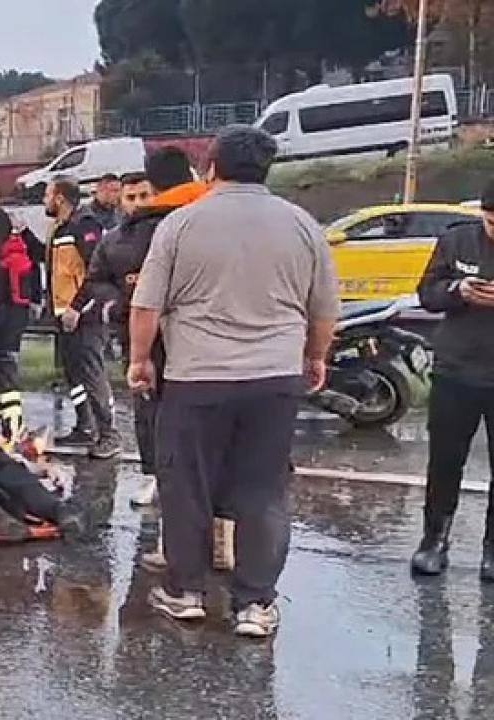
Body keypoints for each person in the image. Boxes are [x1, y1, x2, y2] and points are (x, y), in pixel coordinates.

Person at [128, 126, 339, 637]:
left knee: (186, 486)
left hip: (197, 378)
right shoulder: (302, 225)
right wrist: (314, 357)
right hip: (274, 379)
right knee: (264, 489)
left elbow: (146, 304)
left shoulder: (181, 224)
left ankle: (187, 592)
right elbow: (324, 309)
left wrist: (140, 360)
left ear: (211, 167)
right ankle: (255, 604)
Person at [84, 152, 205, 506]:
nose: (138, 202)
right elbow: (97, 280)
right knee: (148, 409)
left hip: (187, 334)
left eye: (143, 195)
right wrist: (116, 305)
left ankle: (192, 477)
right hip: (138, 336)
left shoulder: (183, 228)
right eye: (131, 197)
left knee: (190, 407)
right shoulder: (113, 240)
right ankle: (155, 475)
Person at [410, 180, 494, 579]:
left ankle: (492, 551)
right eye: (491, 221)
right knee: (445, 462)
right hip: (456, 370)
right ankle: (434, 541)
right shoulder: (457, 240)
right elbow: (427, 294)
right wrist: (458, 291)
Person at [44, 177, 120, 459]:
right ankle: (85, 425)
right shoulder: (61, 228)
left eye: (47, 195)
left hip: (84, 315)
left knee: (92, 373)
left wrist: (78, 307)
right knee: (74, 373)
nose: (44, 200)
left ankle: (109, 435)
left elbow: (95, 272)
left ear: (60, 198)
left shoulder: (84, 225)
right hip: (64, 314)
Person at [0, 206, 38, 440]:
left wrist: (9, 335)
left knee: (6, 379)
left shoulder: (14, 259)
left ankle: (13, 426)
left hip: (4, 331)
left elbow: (20, 302)